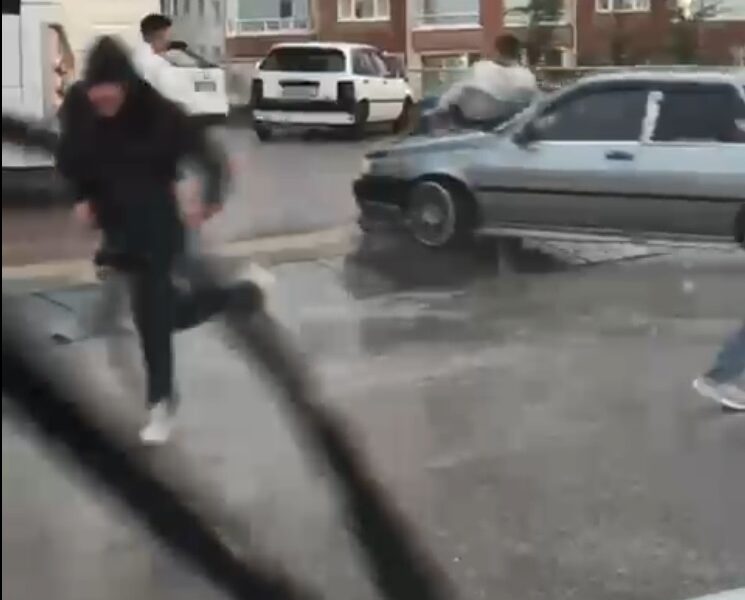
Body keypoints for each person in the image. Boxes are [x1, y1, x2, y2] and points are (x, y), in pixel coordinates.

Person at [56, 36, 263, 444]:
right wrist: (81, 198)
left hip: (157, 227)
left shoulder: (158, 113)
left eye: (110, 94)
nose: (103, 102)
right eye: (97, 94)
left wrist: (209, 199)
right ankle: (242, 295)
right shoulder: (80, 107)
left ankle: (161, 404)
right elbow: (69, 158)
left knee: (151, 320)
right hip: (115, 229)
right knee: (169, 315)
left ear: (126, 86)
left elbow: (209, 155)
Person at [436, 33, 537, 130]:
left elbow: (454, 94)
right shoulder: (528, 76)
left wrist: (442, 106)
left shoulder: (480, 68)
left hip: (470, 122)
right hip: (509, 124)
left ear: (496, 51)